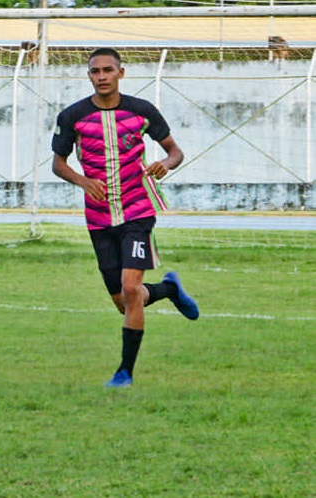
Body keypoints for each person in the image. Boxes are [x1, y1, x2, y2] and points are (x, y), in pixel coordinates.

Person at [51, 48, 200, 388]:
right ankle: (169, 289)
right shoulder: (72, 116)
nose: (101, 76)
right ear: (89, 76)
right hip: (99, 219)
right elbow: (58, 164)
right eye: (94, 71)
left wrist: (167, 163)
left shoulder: (142, 111)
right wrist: (83, 181)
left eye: (107, 70)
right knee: (124, 301)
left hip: (137, 211)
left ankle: (125, 373)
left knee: (131, 288)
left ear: (121, 73)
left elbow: (175, 151)